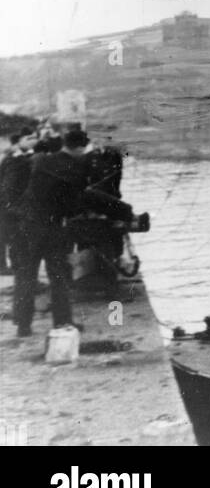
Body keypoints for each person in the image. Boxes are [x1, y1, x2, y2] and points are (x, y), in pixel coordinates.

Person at [12, 127, 135, 339]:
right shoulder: (74, 168)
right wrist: (124, 210)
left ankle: (23, 326)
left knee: (25, 277)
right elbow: (85, 198)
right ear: (80, 148)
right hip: (51, 229)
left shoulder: (43, 160)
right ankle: (62, 322)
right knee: (59, 276)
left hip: (26, 228)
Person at [0, 130, 36, 272]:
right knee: (10, 236)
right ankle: (8, 267)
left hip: (14, 204)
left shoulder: (22, 157)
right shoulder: (11, 158)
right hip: (10, 205)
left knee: (13, 238)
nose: (33, 140)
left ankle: (13, 267)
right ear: (19, 141)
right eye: (29, 138)